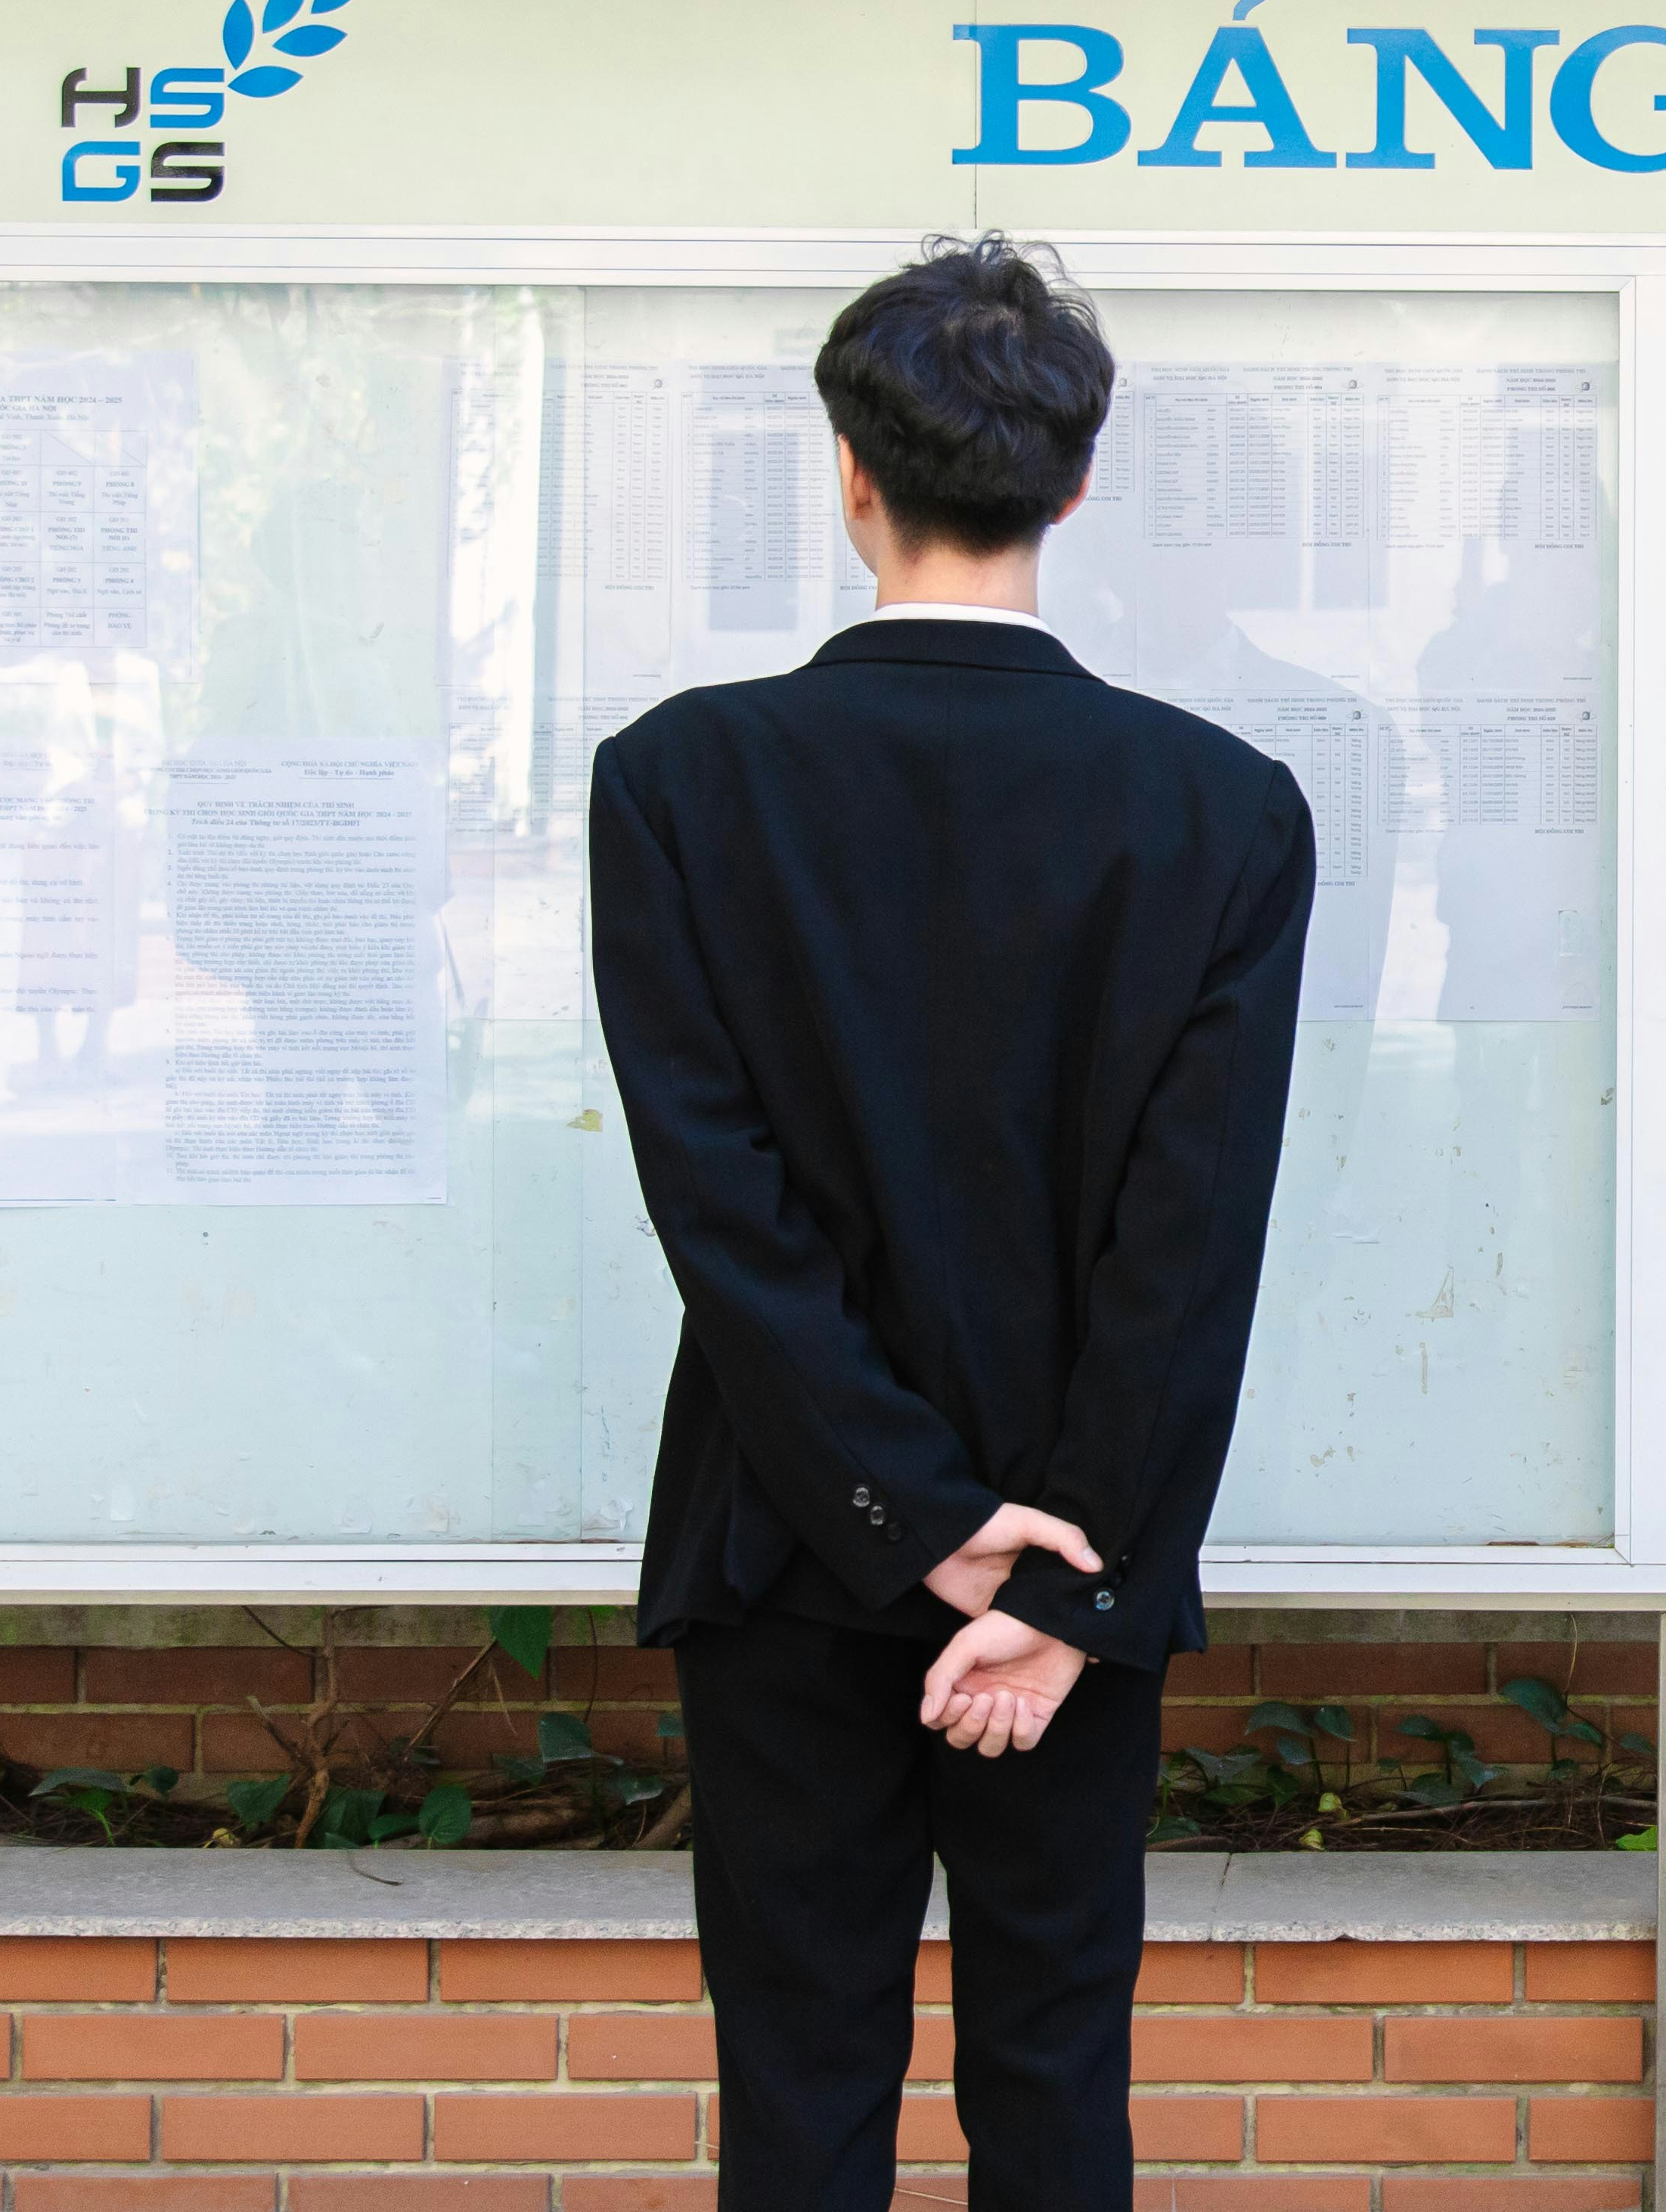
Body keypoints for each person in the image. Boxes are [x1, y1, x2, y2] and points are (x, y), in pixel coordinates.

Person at [588, 235, 1318, 2212]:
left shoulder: (675, 785)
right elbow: (1193, 1246)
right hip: (1079, 1566)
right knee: (1056, 2081)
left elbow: (719, 1207)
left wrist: (916, 1528)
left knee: (802, 2092)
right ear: (1075, 486)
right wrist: (1050, 1583)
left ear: (849, 472)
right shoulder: (1222, 810)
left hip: (780, 1545)